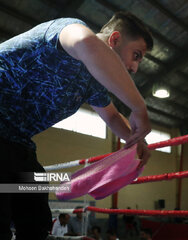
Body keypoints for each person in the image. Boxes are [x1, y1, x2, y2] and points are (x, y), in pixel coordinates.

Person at [0, 11, 153, 240]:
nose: (134, 68)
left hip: (18, 145)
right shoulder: (69, 29)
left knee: (37, 215)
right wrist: (139, 108)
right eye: (136, 55)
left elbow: (111, 117)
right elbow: (86, 43)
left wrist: (136, 140)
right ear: (114, 39)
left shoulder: (93, 84)